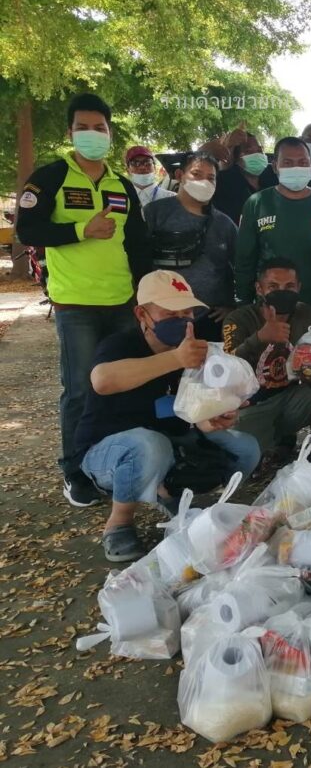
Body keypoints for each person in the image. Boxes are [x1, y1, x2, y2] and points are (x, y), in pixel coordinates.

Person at [15, 92, 151, 508]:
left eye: (99, 128)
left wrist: (144, 295)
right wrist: (80, 231)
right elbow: (28, 231)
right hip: (75, 304)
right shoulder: (50, 177)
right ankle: (75, 472)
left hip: (122, 302)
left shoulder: (121, 185)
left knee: (124, 384)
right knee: (79, 391)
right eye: (83, 128)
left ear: (109, 132)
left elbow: (138, 245)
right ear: (70, 132)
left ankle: (115, 461)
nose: (92, 134)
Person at [74, 271, 261, 562]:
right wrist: (174, 359)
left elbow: (188, 407)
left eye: (186, 313)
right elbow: (102, 380)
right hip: (107, 453)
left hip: (167, 441)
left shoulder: (191, 350)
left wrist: (211, 418)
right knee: (150, 445)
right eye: (170, 313)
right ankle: (119, 523)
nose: (181, 320)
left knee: (246, 448)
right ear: (142, 314)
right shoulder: (120, 344)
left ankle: (173, 496)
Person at [223, 258, 311, 458]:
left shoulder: (308, 315)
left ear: (299, 287)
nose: (282, 292)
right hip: (250, 405)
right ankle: (278, 442)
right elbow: (226, 366)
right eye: (273, 286)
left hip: (290, 397)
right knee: (242, 458)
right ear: (259, 288)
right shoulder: (239, 319)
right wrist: (259, 338)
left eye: (289, 286)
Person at [235, 137, 311, 328]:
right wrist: (244, 303)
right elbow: (244, 260)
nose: (296, 168)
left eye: (302, 162)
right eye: (288, 163)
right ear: (275, 166)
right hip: (270, 312)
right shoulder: (257, 204)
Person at [145, 151, 237, 341]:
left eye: (211, 178)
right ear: (180, 175)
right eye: (196, 174)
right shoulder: (155, 213)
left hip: (210, 319)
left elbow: (242, 266)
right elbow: (137, 258)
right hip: (162, 317)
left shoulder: (225, 224)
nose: (205, 182)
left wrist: (232, 306)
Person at [212, 128, 274, 224]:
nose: (257, 154)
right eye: (249, 151)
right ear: (236, 158)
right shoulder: (225, 185)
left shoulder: (272, 178)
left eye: (259, 150)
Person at [124, 146, 174, 213]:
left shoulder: (172, 199)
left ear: (154, 168)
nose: (142, 167)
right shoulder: (121, 198)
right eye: (135, 163)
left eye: (147, 162)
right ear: (128, 170)